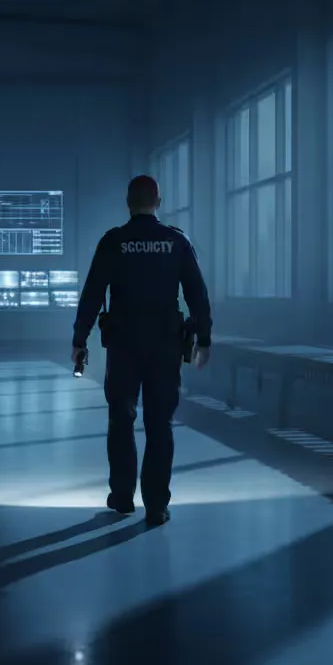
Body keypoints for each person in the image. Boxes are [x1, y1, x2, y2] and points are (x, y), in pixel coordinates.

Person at [71, 174, 212, 526]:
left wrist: (79, 340)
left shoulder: (114, 242)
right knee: (159, 424)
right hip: (165, 347)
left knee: (121, 419)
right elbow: (197, 294)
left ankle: (121, 497)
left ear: (128, 203)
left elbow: (92, 295)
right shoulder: (176, 241)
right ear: (158, 202)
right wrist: (204, 339)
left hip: (123, 346)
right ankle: (155, 505)